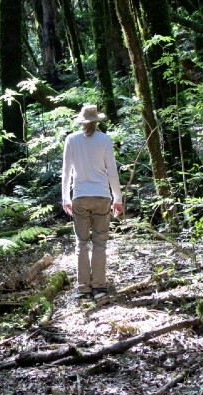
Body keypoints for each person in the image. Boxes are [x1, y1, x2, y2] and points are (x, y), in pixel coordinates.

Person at [62, 105, 123, 300]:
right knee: (100, 243)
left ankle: (83, 289)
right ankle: (99, 287)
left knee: (81, 243)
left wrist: (65, 197)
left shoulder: (71, 140)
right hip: (102, 196)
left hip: (80, 196)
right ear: (97, 121)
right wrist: (118, 199)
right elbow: (112, 171)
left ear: (81, 121)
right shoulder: (105, 139)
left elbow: (66, 172)